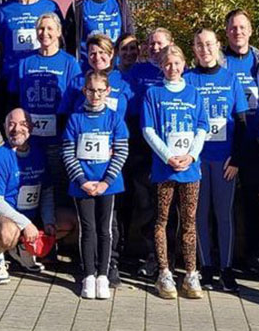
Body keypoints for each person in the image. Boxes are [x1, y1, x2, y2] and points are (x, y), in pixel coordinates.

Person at [142, 44, 210, 300]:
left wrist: (191, 156)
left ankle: (191, 273)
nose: (172, 68)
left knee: (189, 222)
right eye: (167, 64)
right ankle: (164, 272)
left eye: (177, 63)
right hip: (164, 169)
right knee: (162, 220)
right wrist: (168, 157)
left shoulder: (193, 93)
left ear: (184, 65)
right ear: (161, 65)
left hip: (190, 170)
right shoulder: (153, 93)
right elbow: (148, 129)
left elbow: (202, 127)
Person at [187, 28, 249, 291]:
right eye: (199, 45)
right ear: (194, 49)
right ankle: (206, 268)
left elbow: (242, 122)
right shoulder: (188, 79)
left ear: (218, 46)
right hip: (197, 160)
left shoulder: (231, 79)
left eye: (209, 44)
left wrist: (236, 159)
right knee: (199, 215)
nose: (205, 49)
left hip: (225, 161)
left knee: (224, 215)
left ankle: (226, 268)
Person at [221, 10, 259, 278]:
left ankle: (256, 256)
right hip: (227, 143)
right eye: (233, 28)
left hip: (257, 142)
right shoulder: (219, 61)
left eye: (242, 27)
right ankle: (221, 255)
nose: (238, 32)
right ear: (226, 32)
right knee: (223, 203)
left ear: (251, 30)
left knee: (254, 202)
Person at [62, 71, 130, 299]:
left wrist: (105, 182)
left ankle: (103, 274)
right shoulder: (75, 119)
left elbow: (121, 152)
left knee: (105, 229)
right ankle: (88, 274)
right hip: (82, 183)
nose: (96, 95)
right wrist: (82, 181)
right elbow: (68, 152)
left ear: (108, 91)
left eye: (100, 91)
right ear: (85, 90)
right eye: (91, 90)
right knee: (87, 229)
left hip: (107, 184)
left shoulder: (114, 118)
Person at [0, 108, 56, 284]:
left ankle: (23, 250)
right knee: (7, 231)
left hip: (30, 216)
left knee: (69, 223)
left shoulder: (38, 153)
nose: (16, 129)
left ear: (31, 127)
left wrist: (48, 220)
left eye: (23, 124)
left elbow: (46, 191)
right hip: (0, 219)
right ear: (5, 128)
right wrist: (25, 224)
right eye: (11, 124)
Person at [120, 28, 172, 279]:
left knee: (161, 204)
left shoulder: (175, 69)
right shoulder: (137, 71)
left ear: (170, 45)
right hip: (138, 142)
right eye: (150, 44)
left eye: (159, 43)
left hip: (168, 144)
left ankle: (161, 256)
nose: (154, 48)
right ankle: (138, 253)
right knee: (141, 201)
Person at [16, 13, 81, 211]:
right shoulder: (25, 62)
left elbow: (76, 100)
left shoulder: (70, 63)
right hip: (32, 139)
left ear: (59, 32)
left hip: (58, 139)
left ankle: (59, 227)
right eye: (41, 29)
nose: (45, 33)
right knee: (33, 184)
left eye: (50, 28)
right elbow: (15, 98)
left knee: (60, 186)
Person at [0, 0, 63, 126]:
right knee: (14, 130)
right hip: (11, 81)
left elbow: (59, 43)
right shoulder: (4, 10)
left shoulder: (51, 7)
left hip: (41, 80)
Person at [63, 0, 136, 66]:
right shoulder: (78, 7)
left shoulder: (120, 4)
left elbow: (130, 36)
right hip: (87, 68)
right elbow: (68, 42)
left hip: (116, 68)